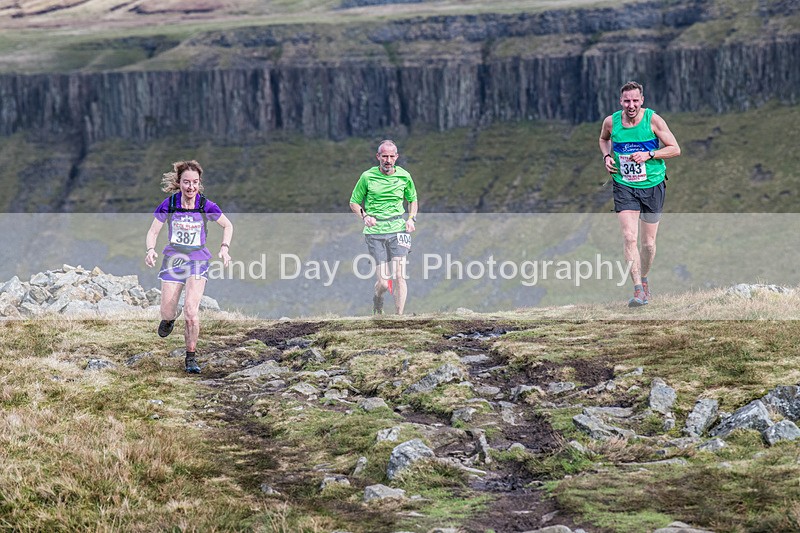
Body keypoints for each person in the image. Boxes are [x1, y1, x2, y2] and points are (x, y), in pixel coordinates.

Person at [144, 160, 233, 373]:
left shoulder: (206, 205)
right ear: (179, 182)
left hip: (197, 260)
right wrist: (150, 249)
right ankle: (169, 319)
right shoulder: (169, 204)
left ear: (199, 183)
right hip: (173, 260)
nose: (191, 187)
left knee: (191, 311)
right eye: (186, 182)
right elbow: (153, 231)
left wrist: (224, 248)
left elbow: (228, 225)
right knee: (167, 312)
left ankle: (191, 357)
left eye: (195, 182)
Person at [599, 81, 681, 307]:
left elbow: (675, 149)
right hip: (624, 184)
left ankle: (644, 279)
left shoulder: (653, 120)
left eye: (635, 100)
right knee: (629, 236)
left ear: (642, 101)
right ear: (620, 101)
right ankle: (638, 291)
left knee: (648, 244)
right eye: (627, 101)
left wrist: (649, 154)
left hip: (653, 184)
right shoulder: (611, 121)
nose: (631, 105)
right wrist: (607, 157)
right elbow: (603, 139)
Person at [349, 140, 418, 315]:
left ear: (396, 157)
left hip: (398, 229)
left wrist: (411, 219)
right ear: (378, 157)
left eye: (391, 156)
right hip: (375, 231)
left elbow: (412, 200)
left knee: (399, 276)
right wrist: (365, 216)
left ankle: (399, 318)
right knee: (383, 282)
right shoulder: (367, 177)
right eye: (384, 156)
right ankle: (378, 299)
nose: (388, 160)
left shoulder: (405, 176)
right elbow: (354, 203)